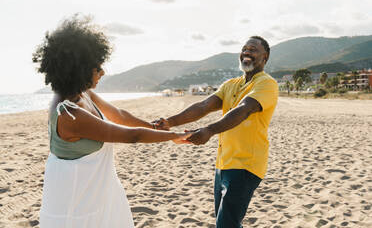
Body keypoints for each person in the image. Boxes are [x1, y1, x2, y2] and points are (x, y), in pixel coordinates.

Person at [33, 15, 190, 228]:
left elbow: (119, 114)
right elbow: (130, 136)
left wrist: (152, 126)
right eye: (97, 68)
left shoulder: (82, 93)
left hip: (98, 194)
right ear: (78, 68)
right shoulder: (69, 114)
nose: (103, 72)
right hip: (76, 206)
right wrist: (176, 136)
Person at [154, 36, 278, 228]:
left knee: (226, 224)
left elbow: (244, 109)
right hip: (223, 164)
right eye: (244, 49)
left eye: (253, 50)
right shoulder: (232, 84)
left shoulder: (267, 83)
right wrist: (170, 122)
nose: (246, 52)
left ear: (265, 57)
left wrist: (209, 130)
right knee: (229, 222)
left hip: (246, 165)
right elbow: (204, 105)